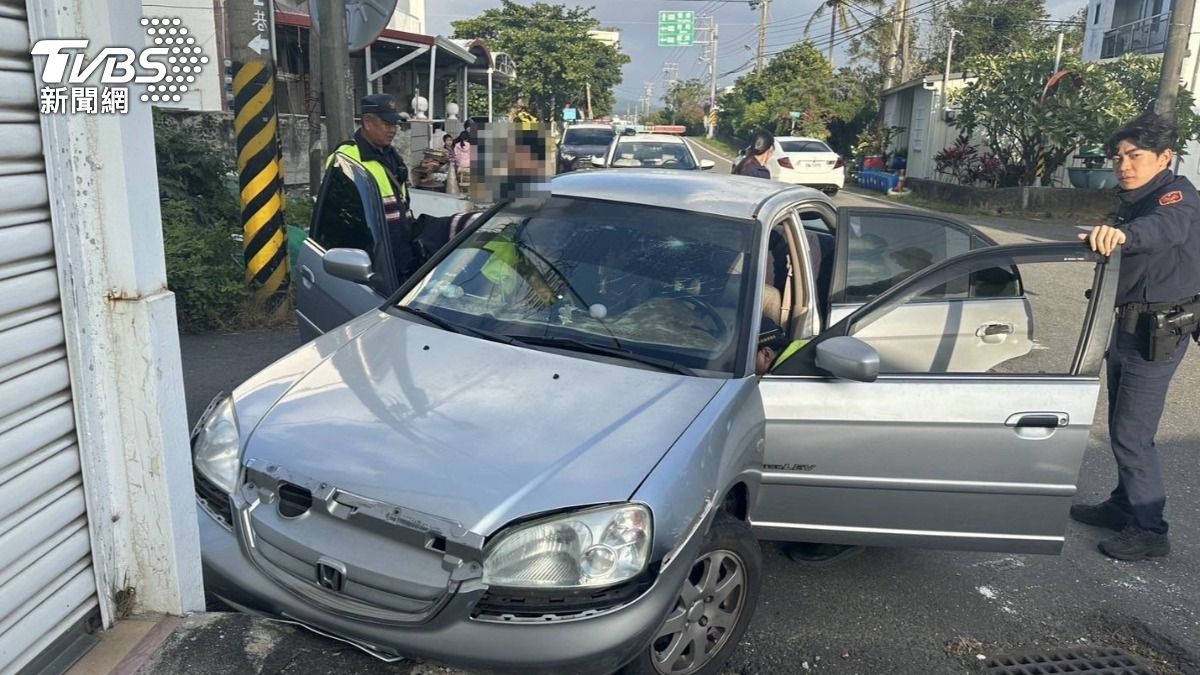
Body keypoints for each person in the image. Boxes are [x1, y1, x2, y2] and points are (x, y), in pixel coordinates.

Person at [1072, 110, 1200, 561]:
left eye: (1135, 155)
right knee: (1121, 426)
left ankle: (1150, 529)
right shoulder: (1136, 198)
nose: (1123, 164)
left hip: (1156, 334)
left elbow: (1160, 232)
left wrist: (1120, 236)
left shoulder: (1175, 197)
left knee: (1131, 433)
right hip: (1128, 326)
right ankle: (1123, 504)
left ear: (1165, 157)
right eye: (1117, 157)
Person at [327, 94, 417, 276]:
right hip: (369, 261)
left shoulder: (391, 156)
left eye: (395, 125)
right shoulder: (346, 159)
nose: (393, 130)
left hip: (400, 254)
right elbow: (342, 221)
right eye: (387, 124)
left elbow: (402, 205)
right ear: (368, 122)